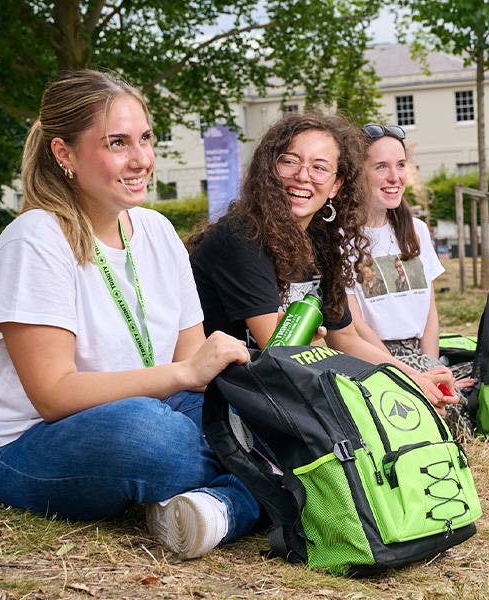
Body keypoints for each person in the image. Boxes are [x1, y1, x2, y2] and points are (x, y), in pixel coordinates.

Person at [0, 70, 260, 560]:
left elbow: (192, 363)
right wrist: (188, 377)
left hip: (157, 408)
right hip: (27, 446)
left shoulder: (157, 230)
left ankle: (218, 508)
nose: (141, 158)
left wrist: (246, 402)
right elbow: (55, 396)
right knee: (154, 435)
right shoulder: (35, 240)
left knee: (265, 411)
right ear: (64, 154)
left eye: (145, 138)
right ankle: (262, 482)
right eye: (117, 143)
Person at [188, 112, 456, 411]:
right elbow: (279, 353)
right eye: (290, 161)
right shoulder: (243, 237)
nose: (303, 175)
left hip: (272, 386)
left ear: (336, 185)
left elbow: (346, 338)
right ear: (269, 168)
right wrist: (397, 383)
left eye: (319, 167)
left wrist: (412, 378)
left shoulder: (320, 241)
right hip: (221, 396)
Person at [344, 123, 475, 439]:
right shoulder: (341, 240)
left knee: (474, 387)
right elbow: (355, 326)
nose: (394, 177)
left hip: (418, 352)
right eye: (381, 167)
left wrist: (430, 365)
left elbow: (429, 313)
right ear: (357, 174)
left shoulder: (416, 230)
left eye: (400, 165)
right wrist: (412, 374)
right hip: (373, 356)